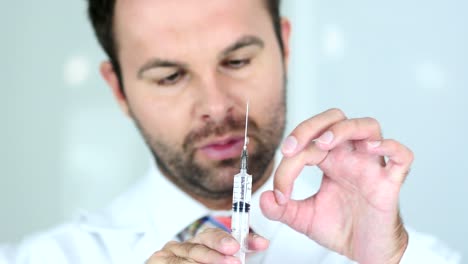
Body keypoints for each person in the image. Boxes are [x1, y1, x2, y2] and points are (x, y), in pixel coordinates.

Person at [0, 0, 461, 263]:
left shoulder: (399, 255)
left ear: (284, 45)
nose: (217, 106)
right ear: (118, 89)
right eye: (169, 77)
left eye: (237, 61)